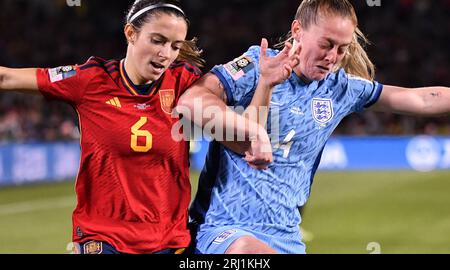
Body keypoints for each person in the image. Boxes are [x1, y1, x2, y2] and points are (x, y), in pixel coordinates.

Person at [177, 0, 450, 254]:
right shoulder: (258, 65)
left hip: (286, 238)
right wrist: (252, 131)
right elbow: (192, 100)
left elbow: (422, 99)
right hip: (220, 231)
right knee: (249, 250)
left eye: (342, 49)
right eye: (327, 44)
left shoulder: (340, 89)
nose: (333, 56)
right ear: (298, 30)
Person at [0, 0, 206, 254]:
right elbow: (6, 76)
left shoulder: (185, 82)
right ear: (131, 33)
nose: (166, 54)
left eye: (175, 46)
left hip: (169, 240)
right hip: (102, 238)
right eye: (157, 40)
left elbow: (235, 94)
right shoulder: (91, 80)